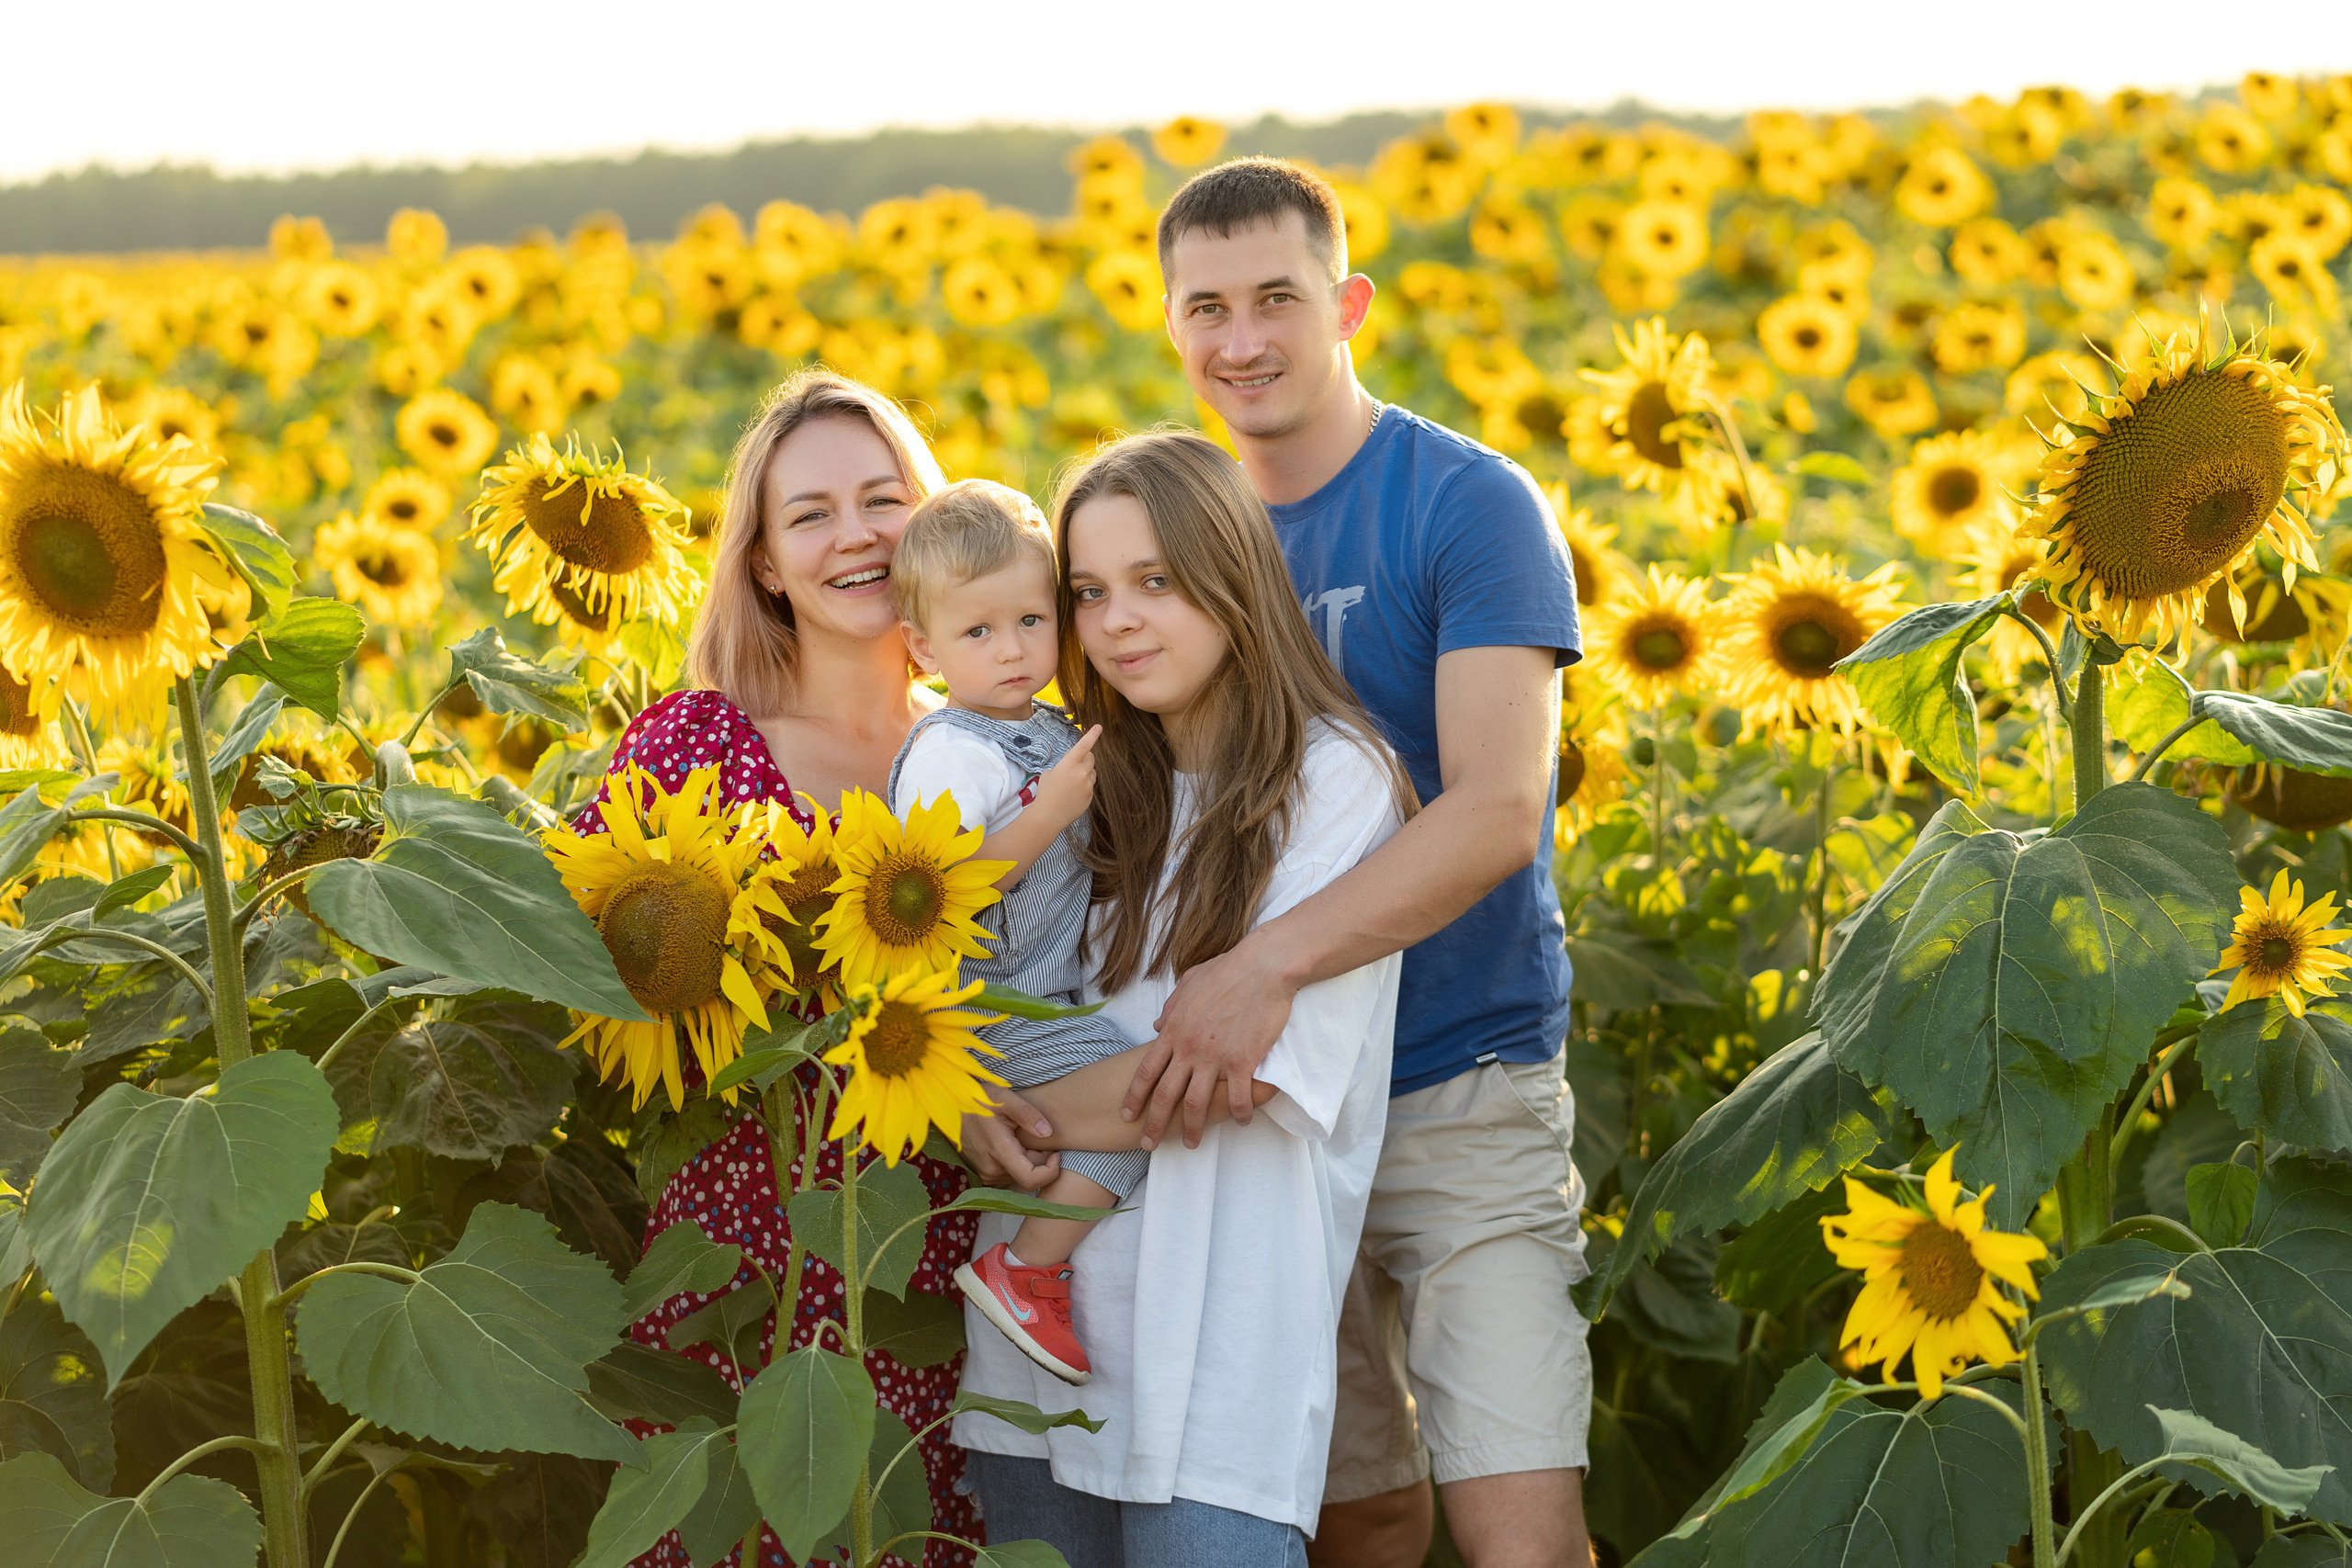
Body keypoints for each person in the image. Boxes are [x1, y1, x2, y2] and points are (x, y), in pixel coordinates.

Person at [1151, 158, 1590, 1568]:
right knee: (1353, 1514)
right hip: (1271, 1113)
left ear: (1348, 304)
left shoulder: (1465, 502)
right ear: (1172, 327)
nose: (1242, 340)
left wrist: (1260, 967)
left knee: (1519, 1530)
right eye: (1207, 307)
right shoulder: (1184, 538)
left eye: (1277, 297)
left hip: (1460, 1079)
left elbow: (1496, 809)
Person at [952, 430, 1419, 1567]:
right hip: (1031, 1361)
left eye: (1155, 581)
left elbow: (1224, 1080)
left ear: (1233, 574)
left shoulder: (1333, 782)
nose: (1117, 621)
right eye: (1090, 592)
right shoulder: (1080, 791)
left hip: (1219, 1372)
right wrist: (963, 1091)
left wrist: (983, 1106)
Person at [573, 369, 979, 1568]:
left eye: (882, 497)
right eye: (810, 513)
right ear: (762, 561)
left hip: (929, 1248)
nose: (854, 534)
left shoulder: (990, 744)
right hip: (742, 1247)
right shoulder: (697, 739)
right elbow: (605, 983)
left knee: (916, 1523)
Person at [881, 477, 1138, 1386]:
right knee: (1153, 1094)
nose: (1011, 651)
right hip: (984, 1013)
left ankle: (1033, 1266)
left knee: (1140, 1111)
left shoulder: (1045, 724)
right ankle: (1026, 1269)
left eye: (1031, 621)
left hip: (1042, 998)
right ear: (923, 648)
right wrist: (1048, 810)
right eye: (977, 633)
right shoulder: (952, 751)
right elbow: (934, 896)